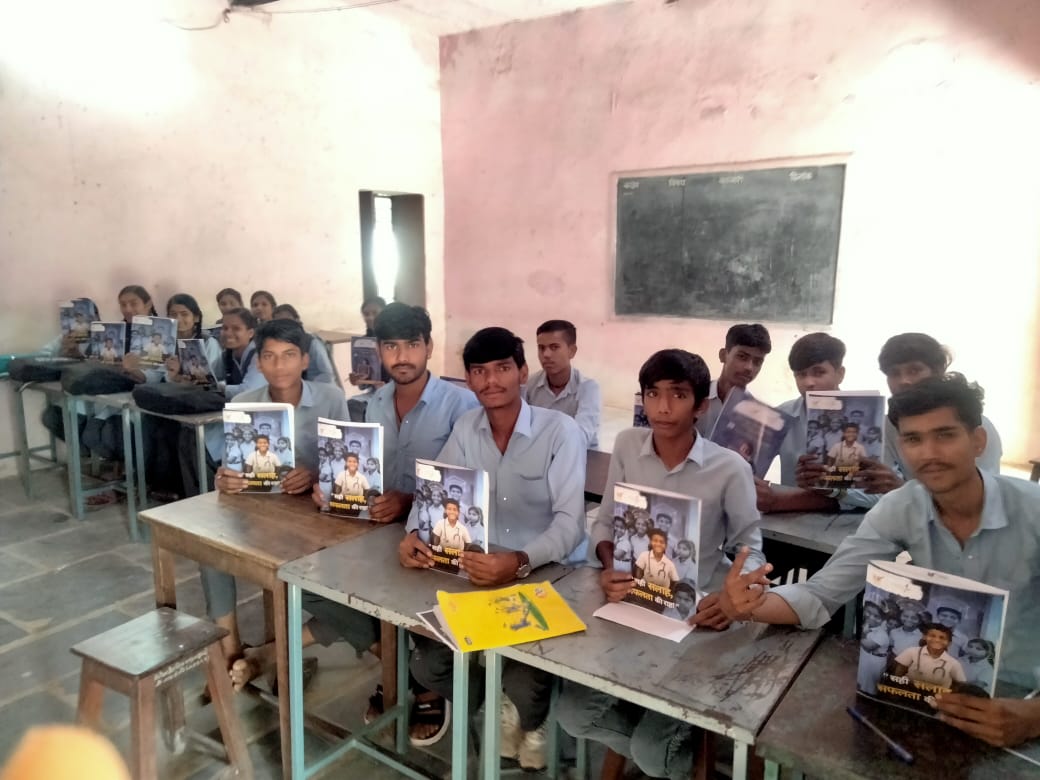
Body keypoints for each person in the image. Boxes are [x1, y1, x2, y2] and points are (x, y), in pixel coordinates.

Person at [718, 374, 1040, 748]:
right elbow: (822, 592)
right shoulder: (901, 507)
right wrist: (746, 605)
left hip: (1025, 700)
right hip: (932, 700)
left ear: (978, 441)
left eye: (946, 435)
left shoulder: (1033, 512)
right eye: (913, 439)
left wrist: (1032, 718)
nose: (929, 453)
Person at [556, 348, 764, 780]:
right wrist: (610, 565)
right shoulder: (629, 445)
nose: (663, 407)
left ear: (700, 405)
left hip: (696, 619)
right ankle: (657, 734)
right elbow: (606, 521)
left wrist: (730, 595)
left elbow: (751, 547)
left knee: (654, 755)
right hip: (631, 605)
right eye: (653, 394)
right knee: (573, 714)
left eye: (678, 395)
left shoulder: (730, 468)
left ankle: (664, 743)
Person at [400, 326, 585, 767]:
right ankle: (496, 697)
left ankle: (529, 713)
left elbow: (570, 525)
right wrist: (412, 533)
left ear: (523, 372)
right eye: (479, 372)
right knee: (428, 665)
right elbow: (435, 490)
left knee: (526, 682)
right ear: (468, 380)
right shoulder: (467, 427)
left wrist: (520, 561)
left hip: (549, 573)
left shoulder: (561, 432)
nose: (491, 381)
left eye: (503, 368)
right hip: (479, 574)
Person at [307, 303, 478, 723]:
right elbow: (365, 468)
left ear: (429, 347)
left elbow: (469, 481)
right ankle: (397, 664)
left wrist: (407, 499)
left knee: (421, 604)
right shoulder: (375, 403)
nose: (402, 357)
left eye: (412, 345)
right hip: (379, 529)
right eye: (391, 346)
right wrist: (329, 488)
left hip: (437, 538)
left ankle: (420, 679)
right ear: (378, 350)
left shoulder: (462, 404)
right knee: (311, 581)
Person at [203, 318, 350, 688]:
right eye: (269, 356)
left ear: (304, 360)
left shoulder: (330, 397)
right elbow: (229, 467)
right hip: (261, 508)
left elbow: (347, 459)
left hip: (316, 513)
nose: (279, 365)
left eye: (288, 356)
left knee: (319, 583)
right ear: (258, 363)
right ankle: (231, 649)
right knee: (211, 550)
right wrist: (224, 478)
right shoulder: (242, 403)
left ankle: (273, 650)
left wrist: (314, 475)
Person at [854, 333, 1003, 494]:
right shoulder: (889, 425)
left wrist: (902, 491)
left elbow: (982, 495)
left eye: (914, 370)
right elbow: (878, 490)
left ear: (938, 371)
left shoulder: (976, 425)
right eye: (894, 373)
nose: (904, 380)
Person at [757, 332, 879, 514]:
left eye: (819, 372)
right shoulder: (782, 416)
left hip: (848, 524)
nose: (809, 382)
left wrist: (833, 489)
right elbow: (751, 467)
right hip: (788, 524)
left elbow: (880, 495)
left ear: (840, 374)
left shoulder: (866, 419)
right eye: (800, 374)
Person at [522, 319, 601, 447]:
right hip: (540, 459)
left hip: (581, 459)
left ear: (572, 351)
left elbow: (582, 435)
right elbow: (519, 430)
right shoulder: (529, 385)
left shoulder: (588, 388)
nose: (546, 354)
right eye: (541, 348)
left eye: (554, 347)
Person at [695, 323, 772, 437]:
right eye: (742, 357)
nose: (749, 368)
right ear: (723, 355)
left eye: (757, 362)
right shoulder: (695, 397)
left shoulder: (757, 417)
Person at [271, 303, 337, 385]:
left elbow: (327, 375)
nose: (284, 326)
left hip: (319, 390)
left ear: (297, 320)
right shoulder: (281, 345)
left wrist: (307, 389)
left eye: (288, 321)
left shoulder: (312, 343)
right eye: (279, 324)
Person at [890, 623, 967, 689]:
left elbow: (961, 684)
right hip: (909, 691)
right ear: (924, 637)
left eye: (942, 638)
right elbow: (898, 673)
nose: (937, 640)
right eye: (932, 636)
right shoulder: (912, 651)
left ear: (949, 643)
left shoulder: (953, 663)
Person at [857, 601, 891, 695]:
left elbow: (869, 646)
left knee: (870, 683)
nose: (871, 617)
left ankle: (869, 698)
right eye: (868, 612)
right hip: (866, 657)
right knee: (862, 679)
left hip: (875, 661)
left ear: (883, 620)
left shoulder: (882, 634)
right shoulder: (866, 626)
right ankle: (861, 692)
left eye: (877, 616)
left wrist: (863, 633)